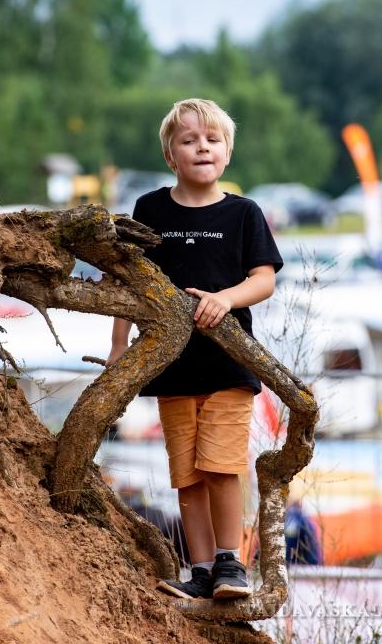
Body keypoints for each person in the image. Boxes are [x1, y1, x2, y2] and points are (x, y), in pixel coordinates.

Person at [107, 98, 283, 600]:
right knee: (186, 473)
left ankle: (231, 563)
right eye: (189, 140)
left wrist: (225, 299)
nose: (202, 148)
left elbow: (264, 279)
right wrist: (118, 346)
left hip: (229, 365)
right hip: (171, 363)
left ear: (228, 152)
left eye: (212, 140)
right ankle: (201, 569)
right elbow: (130, 280)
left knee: (221, 466)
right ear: (171, 155)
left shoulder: (244, 212)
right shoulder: (150, 210)